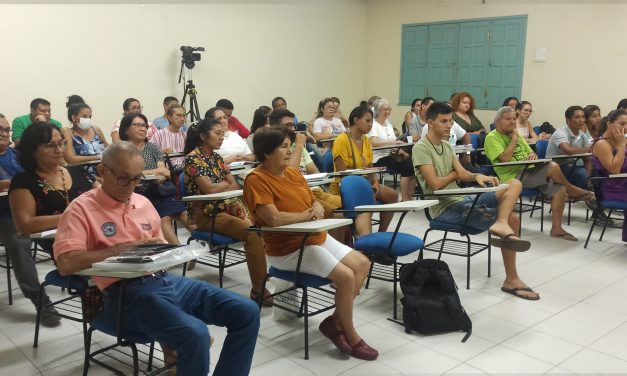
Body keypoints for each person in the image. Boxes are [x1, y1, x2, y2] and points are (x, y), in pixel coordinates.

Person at [53, 141, 259, 376]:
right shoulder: (81, 209)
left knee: (247, 312)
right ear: (102, 171)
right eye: (123, 178)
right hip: (123, 294)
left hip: (163, 281)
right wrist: (122, 249)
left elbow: (160, 251)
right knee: (195, 334)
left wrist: (175, 252)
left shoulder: (143, 203)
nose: (131, 186)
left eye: (137, 179)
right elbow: (66, 264)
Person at [243, 125, 378, 360]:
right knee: (346, 276)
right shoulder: (256, 179)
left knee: (362, 263)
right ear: (266, 153)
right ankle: (351, 334)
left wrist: (315, 207)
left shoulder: (293, 173)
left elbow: (313, 199)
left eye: (290, 146)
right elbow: (273, 218)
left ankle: (334, 322)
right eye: (283, 147)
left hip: (314, 237)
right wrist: (307, 215)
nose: (290, 151)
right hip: (287, 249)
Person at [413, 102, 538, 300]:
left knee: (513, 184)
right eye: (443, 121)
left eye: (450, 121)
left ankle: (501, 223)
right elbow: (436, 184)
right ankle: (511, 278)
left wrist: (477, 177)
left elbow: (463, 173)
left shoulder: (446, 145)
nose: (449, 125)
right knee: (514, 218)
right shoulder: (421, 148)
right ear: (430, 123)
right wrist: (456, 175)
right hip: (444, 207)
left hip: (462, 198)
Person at [183, 118, 269, 303]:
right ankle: (259, 288)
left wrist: (219, 185)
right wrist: (222, 185)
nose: (221, 138)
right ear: (204, 136)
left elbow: (233, 183)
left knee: (263, 225)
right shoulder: (192, 159)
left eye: (223, 134)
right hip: (207, 215)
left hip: (226, 209)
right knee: (252, 234)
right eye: (217, 134)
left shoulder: (216, 158)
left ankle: (263, 279)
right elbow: (210, 190)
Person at [9, 122, 82, 326]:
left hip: (97, 233)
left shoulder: (76, 172)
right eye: (51, 145)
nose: (59, 149)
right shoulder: (24, 181)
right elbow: (25, 224)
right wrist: (75, 216)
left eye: (61, 143)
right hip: (65, 243)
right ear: (33, 150)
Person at [485, 106, 595, 241]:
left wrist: (532, 156)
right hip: (512, 176)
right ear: (497, 122)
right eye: (508, 119)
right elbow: (504, 159)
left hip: (529, 170)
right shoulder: (492, 137)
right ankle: (574, 191)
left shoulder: (515, 134)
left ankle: (556, 229)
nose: (513, 122)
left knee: (560, 189)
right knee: (553, 166)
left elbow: (531, 152)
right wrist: (514, 140)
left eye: (514, 118)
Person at [0, 115, 58, 326]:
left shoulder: (19, 154)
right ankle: (41, 301)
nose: (4, 134)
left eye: (6, 130)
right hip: (5, 214)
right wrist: (10, 184)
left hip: (36, 208)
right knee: (18, 242)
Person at [118, 113, 190, 245]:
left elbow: (165, 172)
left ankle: (204, 243)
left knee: (183, 213)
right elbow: (128, 174)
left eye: (144, 125)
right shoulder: (122, 150)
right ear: (126, 129)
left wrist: (159, 176)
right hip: (137, 194)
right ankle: (180, 251)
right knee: (164, 218)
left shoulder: (152, 147)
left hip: (159, 189)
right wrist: (155, 172)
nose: (142, 128)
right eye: (137, 125)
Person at [332, 105, 398, 235]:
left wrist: (375, 183)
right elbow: (342, 174)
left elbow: (370, 166)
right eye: (367, 121)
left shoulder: (366, 140)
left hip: (367, 183)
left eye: (372, 121)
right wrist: (366, 188)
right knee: (368, 199)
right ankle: (363, 236)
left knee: (393, 195)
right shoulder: (342, 140)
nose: (371, 125)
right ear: (356, 121)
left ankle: (380, 235)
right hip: (346, 187)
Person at [369, 98, 416, 201]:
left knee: (413, 163)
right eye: (384, 109)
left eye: (389, 109)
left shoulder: (388, 123)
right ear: (377, 110)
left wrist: (402, 151)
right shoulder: (373, 125)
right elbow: (374, 143)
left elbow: (395, 141)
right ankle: (405, 197)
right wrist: (393, 143)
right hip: (378, 157)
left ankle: (409, 194)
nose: (387, 112)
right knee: (406, 167)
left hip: (391, 153)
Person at [591, 109, 627, 242]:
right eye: (622, 123)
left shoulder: (620, 141)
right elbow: (615, 170)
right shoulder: (602, 144)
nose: (626, 127)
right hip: (612, 188)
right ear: (609, 124)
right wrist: (622, 144)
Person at [62, 102, 108, 195]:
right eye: (84, 116)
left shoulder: (96, 129)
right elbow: (70, 158)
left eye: (89, 117)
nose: (88, 120)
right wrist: (97, 157)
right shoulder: (68, 131)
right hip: (82, 177)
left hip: (105, 174)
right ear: (74, 118)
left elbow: (109, 149)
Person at [546, 106, 592, 190]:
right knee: (581, 174)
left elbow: (587, 158)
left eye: (583, 117)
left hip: (574, 165)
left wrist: (588, 177)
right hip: (559, 167)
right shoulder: (560, 132)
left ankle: (588, 191)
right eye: (577, 117)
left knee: (597, 170)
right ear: (568, 120)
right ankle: (584, 194)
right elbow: (568, 150)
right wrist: (588, 148)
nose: (581, 120)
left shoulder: (582, 135)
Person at [150, 104, 187, 174]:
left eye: (184, 116)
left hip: (184, 170)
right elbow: (150, 155)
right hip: (167, 171)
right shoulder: (159, 134)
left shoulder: (185, 135)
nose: (182, 119)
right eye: (178, 115)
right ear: (169, 118)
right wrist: (162, 152)